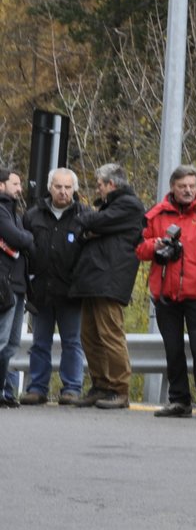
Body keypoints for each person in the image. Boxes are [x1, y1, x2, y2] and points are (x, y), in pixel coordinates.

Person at [138, 166, 196, 420]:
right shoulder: (156, 215)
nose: (188, 190)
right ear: (173, 188)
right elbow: (138, 248)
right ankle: (179, 400)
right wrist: (155, 245)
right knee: (173, 348)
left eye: (191, 186)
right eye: (182, 186)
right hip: (165, 293)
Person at [71, 164, 145, 410]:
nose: (98, 188)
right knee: (89, 336)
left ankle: (119, 389)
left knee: (110, 335)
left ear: (111, 184)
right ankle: (100, 385)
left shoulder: (129, 205)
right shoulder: (110, 206)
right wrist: (90, 227)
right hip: (93, 279)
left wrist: (88, 221)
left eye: (100, 184)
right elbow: (86, 230)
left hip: (109, 279)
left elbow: (93, 221)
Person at [21, 168, 87, 406]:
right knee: (40, 343)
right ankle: (37, 388)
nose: (63, 191)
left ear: (74, 189)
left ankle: (71, 388)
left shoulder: (84, 215)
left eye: (68, 187)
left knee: (72, 342)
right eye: (58, 186)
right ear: (50, 188)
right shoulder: (33, 216)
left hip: (71, 292)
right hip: (41, 290)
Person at [0, 167, 34, 407]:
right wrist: (26, 237)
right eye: (15, 184)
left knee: (11, 344)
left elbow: (26, 242)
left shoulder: (14, 213)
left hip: (19, 285)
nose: (20, 189)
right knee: (1, 341)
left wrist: (25, 238)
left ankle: (4, 391)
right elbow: (21, 239)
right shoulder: (1, 211)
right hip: (4, 285)